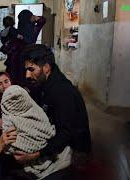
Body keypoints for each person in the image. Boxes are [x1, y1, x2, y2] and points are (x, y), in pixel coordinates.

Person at [15, 44, 91, 179]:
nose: (27, 75)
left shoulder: (62, 92)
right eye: (26, 70)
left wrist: (35, 154)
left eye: (31, 69)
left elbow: (66, 133)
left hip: (73, 153)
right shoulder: (44, 85)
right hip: (55, 142)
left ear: (46, 67)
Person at [1, 85, 72, 179]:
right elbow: (49, 132)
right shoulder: (37, 110)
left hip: (49, 162)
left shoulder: (8, 120)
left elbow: (11, 149)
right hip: (59, 160)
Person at [0, 16, 23, 80]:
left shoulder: (2, 32)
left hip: (8, 52)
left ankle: (8, 79)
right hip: (15, 51)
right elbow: (20, 37)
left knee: (9, 66)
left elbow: (3, 41)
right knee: (15, 67)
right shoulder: (12, 29)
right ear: (12, 22)